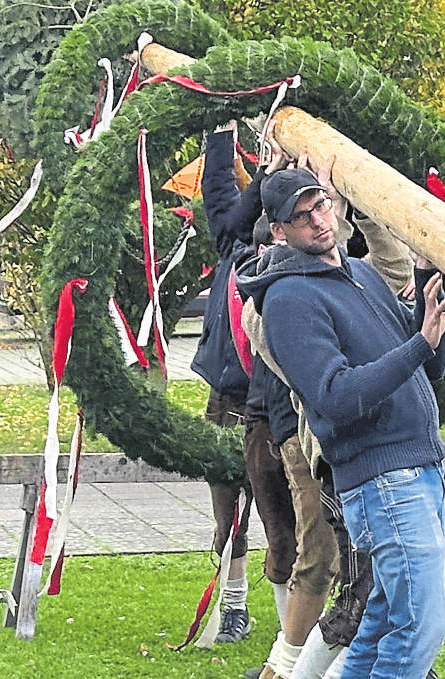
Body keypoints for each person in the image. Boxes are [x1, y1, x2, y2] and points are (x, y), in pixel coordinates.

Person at [243, 167, 445, 679]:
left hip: (416, 468)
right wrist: (419, 344)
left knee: (383, 624)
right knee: (421, 627)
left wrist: (434, 322)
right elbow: (334, 395)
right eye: (302, 215)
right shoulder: (289, 298)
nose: (320, 220)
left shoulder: (360, 274)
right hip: (383, 477)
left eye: (321, 204)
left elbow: (426, 367)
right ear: (278, 232)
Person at [191, 124, 264, 644]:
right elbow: (219, 188)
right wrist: (221, 135)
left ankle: (305, 620)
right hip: (229, 395)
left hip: (281, 401)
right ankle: (233, 606)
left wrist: (280, 171)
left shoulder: (302, 256)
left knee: (294, 519)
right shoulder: (233, 245)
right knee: (228, 512)